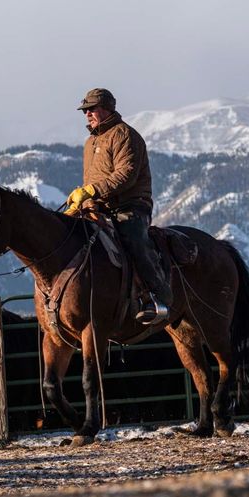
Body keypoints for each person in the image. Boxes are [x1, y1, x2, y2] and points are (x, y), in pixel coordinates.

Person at [65, 87, 172, 325]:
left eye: (92, 109)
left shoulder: (125, 135)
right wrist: (84, 202)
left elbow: (126, 176)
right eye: (85, 111)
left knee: (133, 239)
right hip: (99, 206)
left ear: (107, 108)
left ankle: (155, 297)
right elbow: (91, 180)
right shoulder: (90, 142)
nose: (87, 114)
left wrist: (91, 191)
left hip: (131, 206)